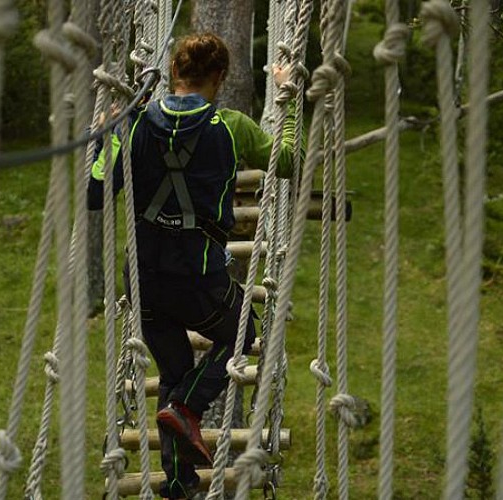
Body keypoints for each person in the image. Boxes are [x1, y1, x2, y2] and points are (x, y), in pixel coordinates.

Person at [88, 33, 297, 500]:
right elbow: (288, 161)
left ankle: (178, 482)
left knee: (176, 367)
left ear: (173, 72)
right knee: (240, 335)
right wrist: (288, 103)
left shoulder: (136, 120)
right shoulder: (232, 124)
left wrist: (105, 137)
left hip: (143, 280)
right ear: (219, 77)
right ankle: (188, 405)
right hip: (198, 278)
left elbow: (96, 191)